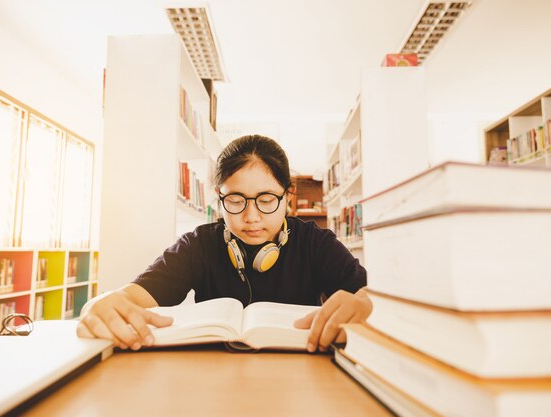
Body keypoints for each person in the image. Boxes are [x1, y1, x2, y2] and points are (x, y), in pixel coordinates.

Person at [77, 135, 371, 353]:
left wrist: (365, 303)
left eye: (267, 200)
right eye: (235, 200)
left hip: (304, 374)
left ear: (287, 196)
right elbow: (131, 296)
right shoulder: (199, 244)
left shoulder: (315, 243)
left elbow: (370, 296)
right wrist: (100, 303)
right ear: (219, 196)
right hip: (211, 378)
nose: (251, 216)